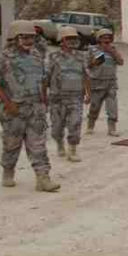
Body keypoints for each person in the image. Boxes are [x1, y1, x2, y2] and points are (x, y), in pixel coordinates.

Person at [0, 20, 60, 191]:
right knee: (11, 145)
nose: (29, 41)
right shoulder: (1, 57)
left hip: (35, 108)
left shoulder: (37, 56)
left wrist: (44, 99)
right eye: (25, 37)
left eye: (32, 38)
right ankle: (8, 171)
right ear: (14, 38)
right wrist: (8, 104)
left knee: (38, 144)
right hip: (14, 109)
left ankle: (43, 178)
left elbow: (43, 78)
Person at [47, 26, 90, 163]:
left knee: (75, 123)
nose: (72, 41)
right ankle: (60, 144)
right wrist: (43, 96)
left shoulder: (82, 56)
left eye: (74, 38)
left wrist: (88, 93)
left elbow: (86, 76)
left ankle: (72, 150)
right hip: (57, 98)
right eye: (69, 38)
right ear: (62, 40)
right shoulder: (53, 57)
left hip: (76, 97)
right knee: (57, 127)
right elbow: (45, 78)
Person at [87, 28, 124, 136]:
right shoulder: (92, 50)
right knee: (95, 107)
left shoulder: (113, 49)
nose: (106, 40)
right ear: (99, 39)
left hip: (111, 83)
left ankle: (112, 128)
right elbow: (86, 65)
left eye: (108, 38)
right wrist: (94, 62)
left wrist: (112, 52)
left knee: (112, 107)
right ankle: (90, 125)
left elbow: (121, 62)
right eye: (104, 38)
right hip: (97, 83)